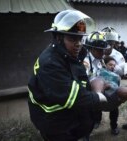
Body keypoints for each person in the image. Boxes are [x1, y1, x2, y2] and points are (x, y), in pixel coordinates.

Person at [27, 10, 109, 141]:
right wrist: (97, 97)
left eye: (80, 38)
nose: (79, 44)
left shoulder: (69, 54)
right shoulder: (50, 63)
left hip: (69, 118)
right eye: (72, 39)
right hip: (53, 123)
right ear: (58, 38)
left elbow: (79, 80)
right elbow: (74, 97)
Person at [83, 31, 127, 137]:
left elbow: (109, 70)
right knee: (89, 119)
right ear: (91, 48)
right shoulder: (85, 63)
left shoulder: (100, 60)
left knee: (118, 93)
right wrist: (101, 86)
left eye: (104, 49)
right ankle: (88, 131)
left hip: (105, 90)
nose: (103, 51)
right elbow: (82, 83)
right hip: (93, 94)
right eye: (100, 49)